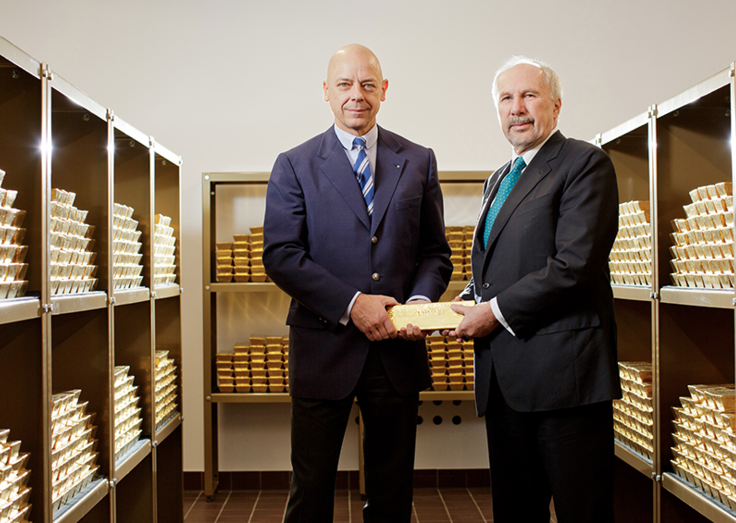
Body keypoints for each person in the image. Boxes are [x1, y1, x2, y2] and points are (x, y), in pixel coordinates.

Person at [263, 43, 452, 523]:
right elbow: (281, 255)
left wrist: (417, 304)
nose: (357, 95)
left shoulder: (419, 160)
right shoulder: (294, 164)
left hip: (397, 348)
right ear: (326, 91)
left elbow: (434, 254)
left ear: (384, 91)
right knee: (311, 487)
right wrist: (353, 304)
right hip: (323, 346)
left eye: (368, 84)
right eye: (345, 84)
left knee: (392, 490)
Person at [448, 56, 621, 522]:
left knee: (581, 510)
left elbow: (574, 265)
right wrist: (467, 302)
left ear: (556, 105)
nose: (517, 108)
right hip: (506, 381)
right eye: (507, 98)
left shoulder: (585, 163)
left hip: (566, 381)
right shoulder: (499, 178)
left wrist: (494, 311)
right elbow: (500, 269)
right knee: (516, 511)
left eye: (529, 95)